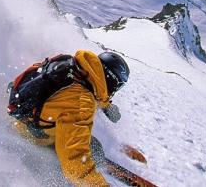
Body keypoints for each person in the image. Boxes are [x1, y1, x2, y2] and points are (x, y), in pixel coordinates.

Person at [11, 50, 130, 187]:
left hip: (27, 119)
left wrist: (107, 106)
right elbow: (75, 161)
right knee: (92, 152)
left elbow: (93, 87)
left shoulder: (76, 68)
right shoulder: (81, 102)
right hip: (35, 138)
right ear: (111, 80)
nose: (114, 91)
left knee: (93, 146)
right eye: (118, 86)